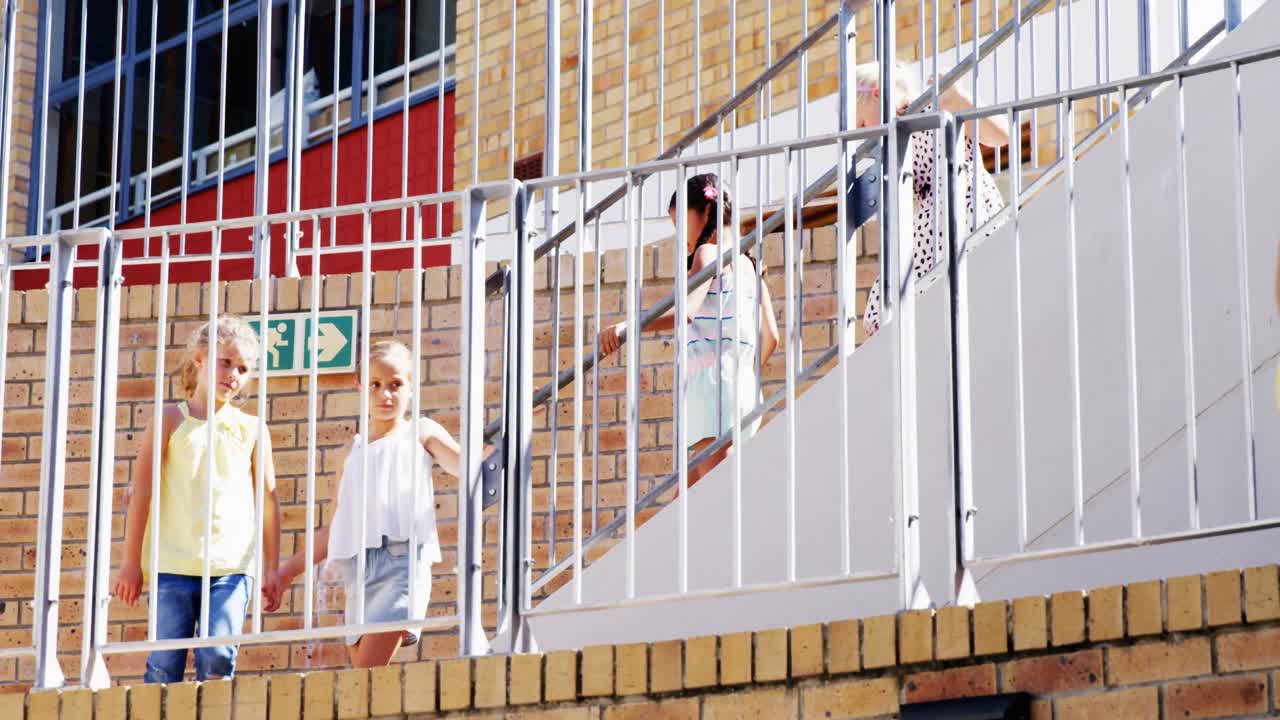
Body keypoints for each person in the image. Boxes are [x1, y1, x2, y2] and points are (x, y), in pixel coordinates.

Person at [112, 315, 283, 683]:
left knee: (218, 656)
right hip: (171, 563)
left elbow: (268, 501)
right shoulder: (171, 419)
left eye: (242, 368)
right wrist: (130, 564)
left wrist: (273, 567)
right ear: (201, 357)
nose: (233, 374)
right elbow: (142, 491)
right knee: (164, 664)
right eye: (226, 362)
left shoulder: (252, 429)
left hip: (231, 568)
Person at [277, 340, 455, 668]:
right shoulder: (352, 453)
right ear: (361, 388)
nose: (385, 395)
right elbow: (334, 528)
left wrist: (490, 451)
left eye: (395, 385)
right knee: (364, 682)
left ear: (411, 388)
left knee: (367, 672)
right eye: (375, 385)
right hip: (358, 571)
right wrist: (287, 572)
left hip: (401, 564)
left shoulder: (420, 431)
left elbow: (464, 464)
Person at [600, 173, 780, 487]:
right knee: (690, 504)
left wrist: (628, 326)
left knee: (712, 501)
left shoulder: (707, 253)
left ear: (706, 213)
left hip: (711, 388)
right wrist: (742, 373)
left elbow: (685, 311)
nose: (679, 235)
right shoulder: (750, 264)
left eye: (680, 222)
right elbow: (772, 337)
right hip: (741, 388)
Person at [857, 62, 1010, 337]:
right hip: (930, 230)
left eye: (861, 122)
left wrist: (957, 98)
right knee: (881, 310)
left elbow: (1001, 135)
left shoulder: (931, 110)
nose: (860, 132)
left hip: (963, 209)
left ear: (878, 95)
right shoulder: (890, 146)